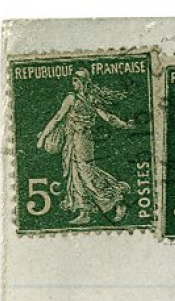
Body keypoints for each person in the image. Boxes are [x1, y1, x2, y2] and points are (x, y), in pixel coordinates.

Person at [36, 67, 134, 226]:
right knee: (75, 175)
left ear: (83, 82)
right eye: (73, 80)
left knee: (86, 173)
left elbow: (107, 117)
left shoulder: (82, 99)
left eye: (75, 80)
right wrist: (45, 136)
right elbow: (58, 118)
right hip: (72, 140)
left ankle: (117, 200)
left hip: (82, 140)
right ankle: (84, 212)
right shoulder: (74, 98)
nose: (72, 83)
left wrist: (124, 125)